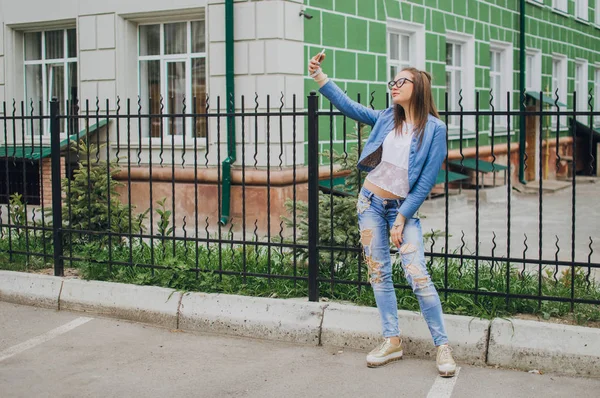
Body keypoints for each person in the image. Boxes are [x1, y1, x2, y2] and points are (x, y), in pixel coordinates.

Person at [308, 52, 456, 377]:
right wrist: (320, 76)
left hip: (401, 211)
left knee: (417, 274)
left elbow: (427, 179)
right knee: (379, 272)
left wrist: (403, 216)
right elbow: (351, 107)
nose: (393, 85)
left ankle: (442, 347)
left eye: (400, 81)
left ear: (418, 87)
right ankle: (392, 340)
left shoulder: (435, 129)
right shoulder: (389, 117)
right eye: (393, 80)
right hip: (370, 203)